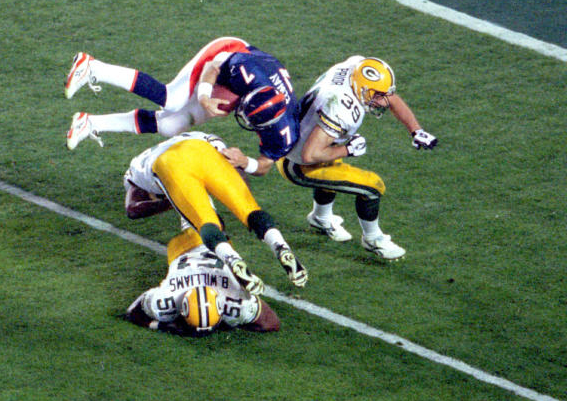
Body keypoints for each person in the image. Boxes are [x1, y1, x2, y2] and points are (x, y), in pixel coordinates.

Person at [277, 56, 438, 260]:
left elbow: (390, 97)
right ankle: (373, 239)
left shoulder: (355, 68)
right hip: (298, 162)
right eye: (377, 96)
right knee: (372, 186)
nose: (382, 101)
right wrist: (348, 149)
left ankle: (320, 218)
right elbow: (311, 154)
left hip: (299, 140)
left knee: (333, 168)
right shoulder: (340, 108)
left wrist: (416, 131)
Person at [64, 38, 300, 171]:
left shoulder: (284, 132)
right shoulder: (249, 71)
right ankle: (92, 67)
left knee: (171, 126)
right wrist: (204, 96)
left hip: (237, 87)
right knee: (173, 99)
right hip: (227, 53)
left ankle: (90, 123)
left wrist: (245, 162)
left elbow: (265, 165)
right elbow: (213, 67)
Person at [121, 131, 308, 290]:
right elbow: (234, 165)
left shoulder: (136, 167)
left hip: (169, 163)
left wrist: (172, 201)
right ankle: (279, 245)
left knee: (207, 222)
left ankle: (233, 259)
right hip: (203, 148)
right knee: (249, 208)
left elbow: (133, 209)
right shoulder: (202, 136)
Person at [124, 228, 281, 336]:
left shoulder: (166, 302)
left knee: (200, 214)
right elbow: (271, 322)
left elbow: (133, 312)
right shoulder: (236, 306)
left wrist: (163, 326)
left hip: (188, 249)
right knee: (204, 214)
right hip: (191, 249)